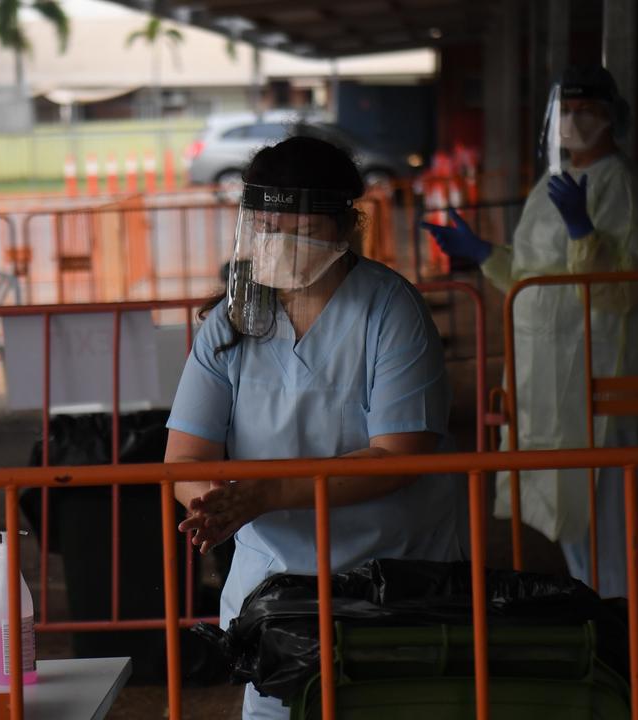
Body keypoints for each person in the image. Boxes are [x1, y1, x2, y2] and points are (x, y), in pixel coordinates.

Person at [166, 136, 468, 719]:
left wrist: (265, 492)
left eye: (294, 220)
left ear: (342, 224)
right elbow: (186, 455)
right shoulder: (231, 323)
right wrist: (211, 503)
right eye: (265, 221)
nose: (277, 236)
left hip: (388, 588)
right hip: (275, 602)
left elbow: (401, 453)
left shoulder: (390, 310)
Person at [425, 65, 638, 608]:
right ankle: (595, 612)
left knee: (608, 509)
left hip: (603, 372)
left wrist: (585, 233)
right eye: (566, 110)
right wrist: (484, 255)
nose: (573, 121)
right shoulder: (551, 185)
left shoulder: (628, 190)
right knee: (566, 506)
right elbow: (533, 273)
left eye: (586, 110)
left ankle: (630, 624)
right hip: (544, 370)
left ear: (613, 118)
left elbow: (621, 291)